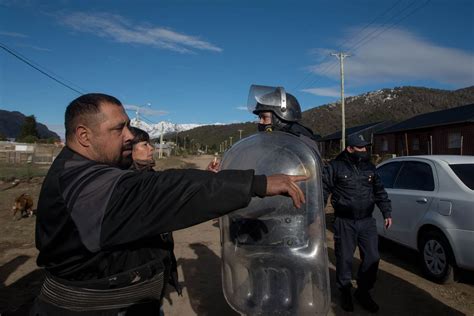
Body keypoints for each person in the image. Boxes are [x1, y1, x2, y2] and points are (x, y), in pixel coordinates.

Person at [32, 93, 307, 316]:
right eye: (119, 128)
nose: (130, 136)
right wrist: (257, 184)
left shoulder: (88, 169)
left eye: (128, 125)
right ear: (84, 136)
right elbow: (164, 190)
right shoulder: (83, 183)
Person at [322, 133, 393, 313]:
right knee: (344, 258)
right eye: (360, 148)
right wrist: (316, 215)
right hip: (345, 222)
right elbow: (323, 190)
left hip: (367, 221)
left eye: (365, 147)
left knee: (372, 257)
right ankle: (345, 291)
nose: (364, 150)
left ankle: (363, 291)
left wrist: (386, 212)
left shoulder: (370, 167)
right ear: (350, 149)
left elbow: (379, 191)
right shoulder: (335, 167)